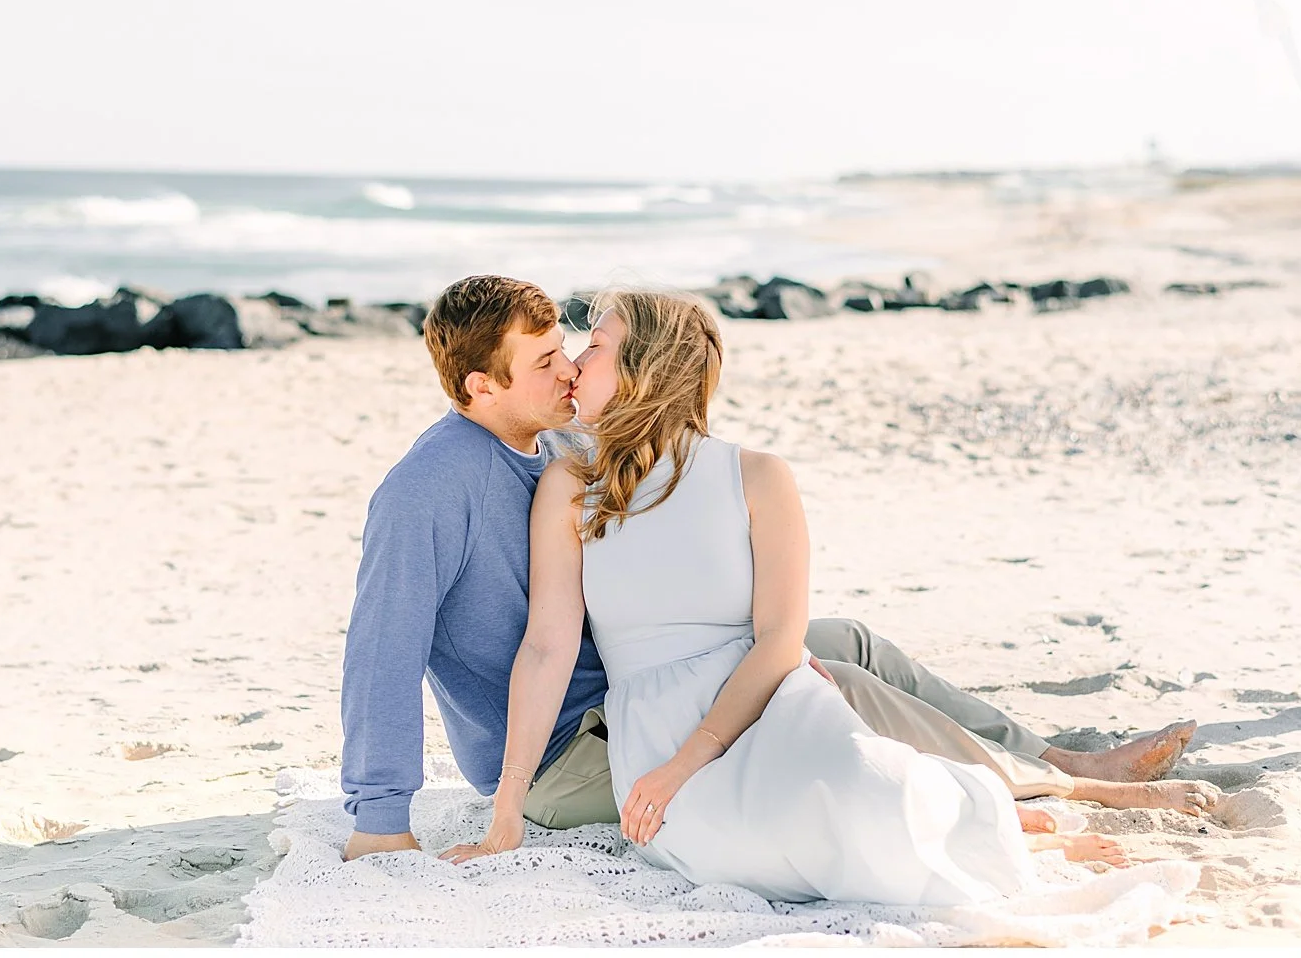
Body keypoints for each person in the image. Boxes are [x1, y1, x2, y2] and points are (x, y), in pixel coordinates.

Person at [340, 275, 1218, 865]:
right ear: (476, 389)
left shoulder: (558, 445)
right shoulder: (427, 490)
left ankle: (1045, 753)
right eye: (544, 363)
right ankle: (1037, 787)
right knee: (815, 676)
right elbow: (383, 649)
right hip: (570, 748)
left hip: (631, 693)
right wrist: (381, 821)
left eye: (572, 350)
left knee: (843, 640)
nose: (569, 368)